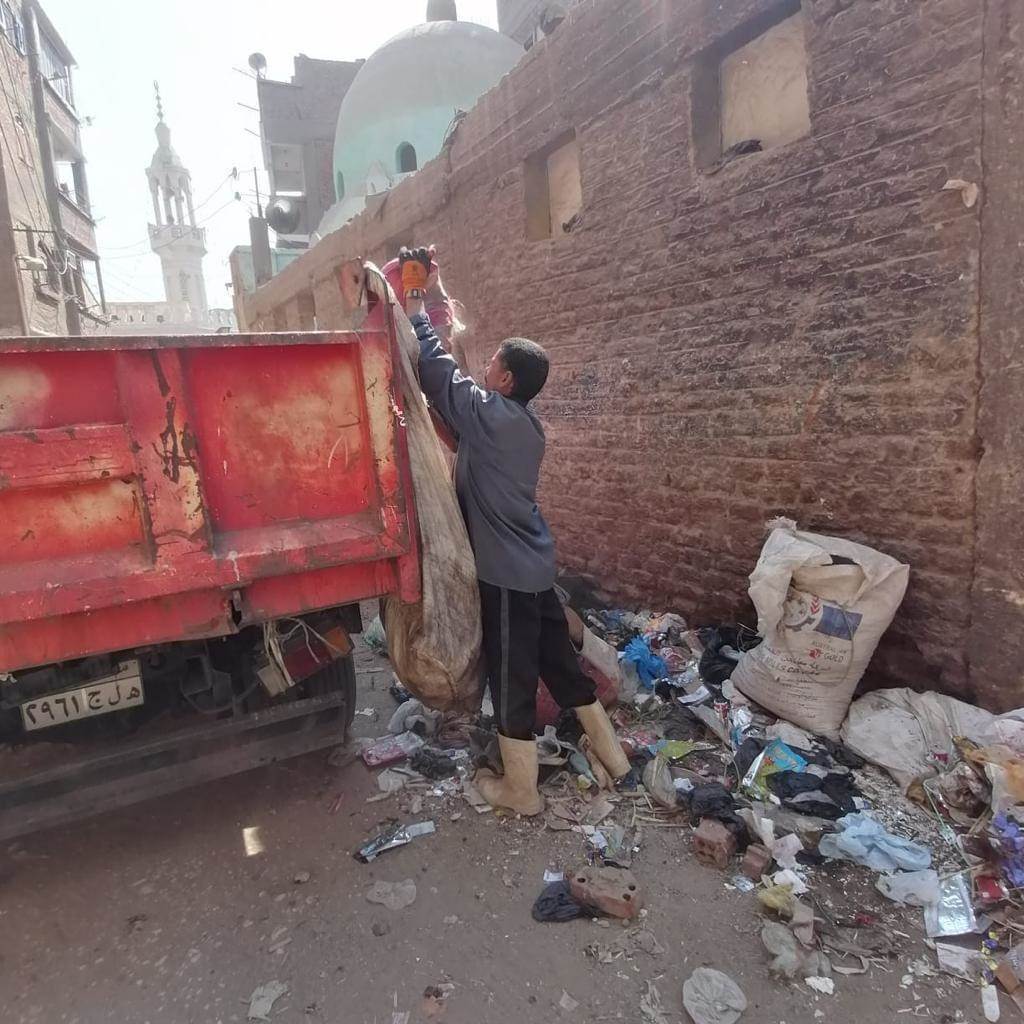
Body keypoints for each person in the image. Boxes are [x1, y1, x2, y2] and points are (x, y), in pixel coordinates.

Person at [396, 246, 629, 816]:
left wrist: (416, 307)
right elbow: (455, 413)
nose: (484, 370)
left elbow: (439, 374)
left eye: (492, 365)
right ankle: (616, 760)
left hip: (505, 577)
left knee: (512, 677)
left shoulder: (494, 416)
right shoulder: (518, 424)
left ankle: (521, 791)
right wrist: (437, 293)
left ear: (505, 377)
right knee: (561, 667)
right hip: (535, 572)